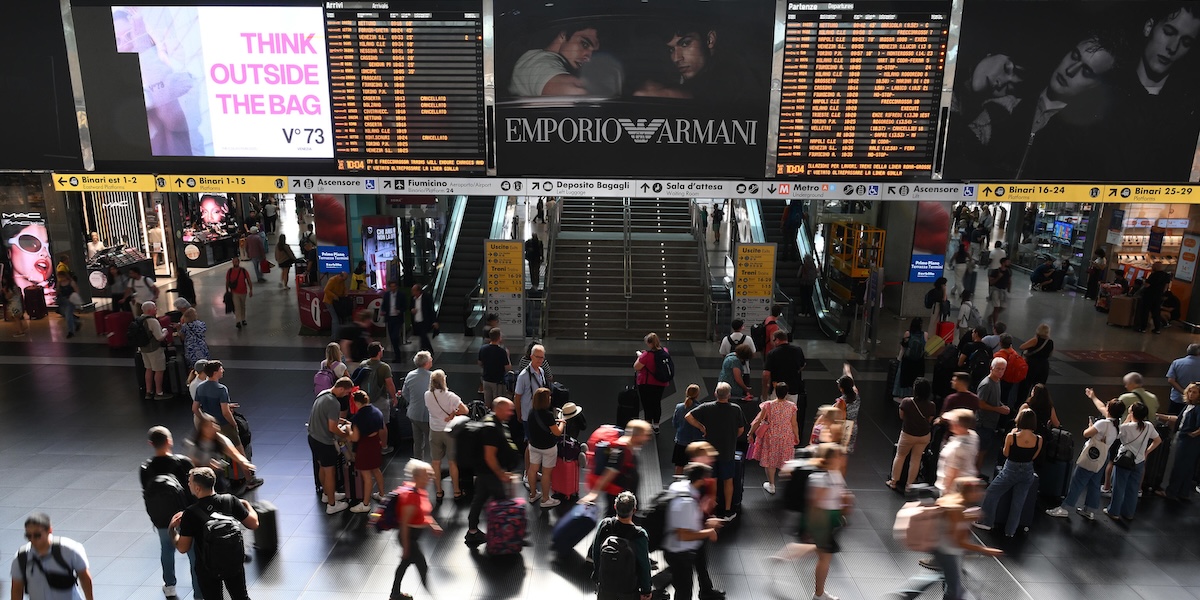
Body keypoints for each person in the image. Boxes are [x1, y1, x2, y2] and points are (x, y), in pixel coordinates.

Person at [1102, 5, 1200, 181]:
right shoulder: (1105, 96)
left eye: (1185, 42)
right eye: (1169, 32)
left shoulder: (1186, 114)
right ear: (1149, 28)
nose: (1173, 47)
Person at [893, 479, 1003, 600]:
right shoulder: (957, 509)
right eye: (978, 490)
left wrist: (967, 516)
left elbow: (949, 524)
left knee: (940, 578)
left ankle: (903, 595)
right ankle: (902, 596)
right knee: (954, 588)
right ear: (969, 492)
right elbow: (958, 541)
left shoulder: (950, 500)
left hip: (940, 547)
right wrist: (985, 550)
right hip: (948, 552)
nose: (982, 493)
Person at [170, 467, 259, 600]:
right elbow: (254, 524)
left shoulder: (190, 513)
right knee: (241, 597)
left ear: (197, 488)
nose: (188, 484)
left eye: (190, 482)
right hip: (233, 562)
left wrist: (172, 529)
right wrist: (246, 504)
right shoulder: (230, 501)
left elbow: (183, 548)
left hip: (207, 568)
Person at [139, 427, 200, 600]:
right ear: (169, 441)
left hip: (162, 517)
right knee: (193, 552)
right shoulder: (183, 462)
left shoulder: (145, 468)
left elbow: (146, 492)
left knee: (166, 548)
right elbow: (194, 489)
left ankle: (170, 586)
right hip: (186, 515)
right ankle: (198, 592)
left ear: (151, 443)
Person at [1046, 399, 1127, 520]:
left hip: (1092, 455)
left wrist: (1090, 425)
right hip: (1104, 456)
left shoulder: (1103, 423)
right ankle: (1090, 510)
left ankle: (1065, 508)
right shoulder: (1117, 424)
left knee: (1078, 480)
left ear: (1109, 409)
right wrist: (1093, 396)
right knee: (1095, 482)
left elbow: (1086, 433)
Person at [660, 462, 725, 600]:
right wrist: (709, 531)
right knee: (684, 592)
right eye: (706, 478)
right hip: (680, 553)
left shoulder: (678, 486)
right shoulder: (687, 502)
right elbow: (683, 535)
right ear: (700, 480)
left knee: (680, 584)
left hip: (676, 550)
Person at [465, 399, 522, 547]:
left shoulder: (493, 421)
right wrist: (501, 473)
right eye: (508, 410)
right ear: (499, 409)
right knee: (502, 502)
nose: (511, 413)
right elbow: (489, 456)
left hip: (485, 472)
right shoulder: (491, 428)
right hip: (491, 473)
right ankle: (505, 534)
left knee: (479, 499)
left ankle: (472, 532)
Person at [686, 382, 748, 518]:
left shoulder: (707, 407)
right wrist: (732, 436)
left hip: (710, 453)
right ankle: (727, 510)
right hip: (728, 451)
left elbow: (688, 416)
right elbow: (741, 429)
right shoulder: (736, 409)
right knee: (728, 480)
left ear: (715, 394)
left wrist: (701, 427)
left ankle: (711, 510)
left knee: (711, 480)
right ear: (729, 395)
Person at [389, 460, 442, 600]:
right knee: (422, 566)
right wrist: (406, 547)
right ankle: (431, 595)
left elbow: (424, 513)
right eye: (427, 476)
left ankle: (395, 594)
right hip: (408, 537)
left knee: (405, 564)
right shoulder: (411, 497)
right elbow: (404, 524)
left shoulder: (420, 491)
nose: (430, 478)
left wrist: (433, 525)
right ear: (416, 477)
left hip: (412, 537)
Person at [10, 513, 93, 600]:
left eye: (37, 535)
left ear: (49, 530)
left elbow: (84, 577)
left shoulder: (69, 550)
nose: (33, 539)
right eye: (28, 536)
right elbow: (17, 589)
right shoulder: (21, 558)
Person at [807, 443, 853, 600]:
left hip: (830, 520)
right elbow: (815, 504)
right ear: (830, 459)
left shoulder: (835, 475)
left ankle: (819, 592)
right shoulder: (822, 478)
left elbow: (838, 497)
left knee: (823, 557)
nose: (842, 459)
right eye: (839, 456)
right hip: (823, 522)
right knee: (824, 558)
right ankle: (818, 594)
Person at [1106, 402, 1163, 521]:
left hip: (1124, 460)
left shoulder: (1126, 427)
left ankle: (1114, 511)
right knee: (1133, 489)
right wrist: (1146, 452)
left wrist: (1127, 419)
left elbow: (1117, 435)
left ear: (1132, 413)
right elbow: (1157, 440)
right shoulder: (1148, 426)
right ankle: (1128, 513)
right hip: (1139, 461)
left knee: (1118, 487)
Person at [582, 420, 654, 514]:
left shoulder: (628, 446)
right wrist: (594, 493)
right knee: (613, 519)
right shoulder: (621, 449)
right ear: (637, 435)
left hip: (625, 495)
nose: (648, 438)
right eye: (646, 435)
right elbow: (610, 471)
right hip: (620, 497)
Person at [592, 491, 652, 600]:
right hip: (629, 589)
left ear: (615, 507)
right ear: (634, 510)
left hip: (606, 586)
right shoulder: (639, 535)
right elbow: (644, 565)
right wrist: (646, 590)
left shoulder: (605, 525)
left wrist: (598, 576)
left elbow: (596, 553)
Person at [508, 25, 600, 96]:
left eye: (593, 53)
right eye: (584, 44)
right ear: (563, 35)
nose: (589, 58)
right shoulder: (540, 61)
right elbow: (576, 90)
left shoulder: (535, 58)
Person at [308, 378, 354, 514]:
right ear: (341, 389)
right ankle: (332, 505)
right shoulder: (334, 403)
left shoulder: (323, 394)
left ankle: (327, 494)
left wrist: (340, 420)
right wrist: (346, 435)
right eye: (346, 393)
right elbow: (333, 427)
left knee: (322, 466)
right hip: (324, 442)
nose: (346, 396)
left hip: (312, 437)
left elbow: (325, 415)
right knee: (330, 472)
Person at [748, 381, 799, 494]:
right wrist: (797, 436)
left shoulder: (768, 405)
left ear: (775, 392)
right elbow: (794, 423)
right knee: (785, 460)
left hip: (771, 436)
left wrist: (750, 433)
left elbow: (758, 420)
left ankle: (771, 485)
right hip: (786, 435)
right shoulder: (791, 407)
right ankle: (788, 486)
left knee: (771, 461)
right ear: (786, 393)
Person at [425, 369, 468, 500]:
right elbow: (465, 410)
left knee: (436, 462)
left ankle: (438, 491)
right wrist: (453, 413)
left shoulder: (427, 395)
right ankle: (456, 491)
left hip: (435, 430)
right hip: (449, 431)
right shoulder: (451, 396)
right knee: (452, 462)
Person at [889, 378, 938, 493]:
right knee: (916, 459)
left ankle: (894, 481)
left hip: (908, 434)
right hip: (924, 436)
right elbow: (930, 419)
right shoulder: (931, 405)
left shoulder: (906, 402)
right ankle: (909, 485)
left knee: (900, 456)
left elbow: (901, 416)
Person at [1157, 383, 1200, 500]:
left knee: (1179, 466)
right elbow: (1178, 419)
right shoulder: (1188, 406)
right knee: (1186, 466)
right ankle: (1183, 492)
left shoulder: (1198, 408)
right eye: (1190, 391)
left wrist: (1193, 434)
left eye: (1194, 392)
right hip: (1184, 437)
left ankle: (1171, 491)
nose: (1191, 394)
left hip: (1188, 440)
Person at [346, 389, 386, 512]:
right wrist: (383, 443)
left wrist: (348, 429)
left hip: (364, 447)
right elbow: (383, 429)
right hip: (375, 443)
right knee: (376, 469)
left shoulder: (358, 417)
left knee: (366, 475)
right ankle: (382, 494)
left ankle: (365, 504)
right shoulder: (377, 411)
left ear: (357, 403)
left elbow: (355, 437)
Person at [525, 387, 565, 508]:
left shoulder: (532, 412)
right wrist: (562, 423)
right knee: (546, 473)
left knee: (532, 470)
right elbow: (557, 432)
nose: (550, 398)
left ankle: (532, 495)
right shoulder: (547, 415)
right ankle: (545, 499)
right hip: (548, 448)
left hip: (534, 446)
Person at [359, 342, 398, 455]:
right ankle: (384, 447)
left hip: (365, 399)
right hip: (380, 398)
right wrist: (394, 398)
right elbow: (389, 384)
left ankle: (367, 446)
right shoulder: (384, 367)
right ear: (379, 352)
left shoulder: (363, 364)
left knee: (366, 422)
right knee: (382, 423)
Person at [975, 357, 1012, 474]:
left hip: (990, 423)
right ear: (991, 368)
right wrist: (998, 409)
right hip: (983, 423)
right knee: (980, 451)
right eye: (998, 369)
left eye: (1003, 369)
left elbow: (994, 400)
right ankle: (975, 475)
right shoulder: (986, 384)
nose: (1000, 372)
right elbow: (980, 404)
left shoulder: (997, 381)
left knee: (983, 451)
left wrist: (1001, 406)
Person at [633, 332, 671, 434]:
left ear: (649, 344)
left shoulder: (646, 355)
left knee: (647, 405)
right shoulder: (665, 351)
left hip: (646, 383)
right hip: (660, 383)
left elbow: (637, 367)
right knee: (656, 403)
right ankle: (656, 425)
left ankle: (648, 424)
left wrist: (639, 356)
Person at [763, 328, 806, 415]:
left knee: (774, 414)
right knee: (791, 415)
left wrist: (764, 390)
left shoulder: (772, 353)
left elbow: (766, 374)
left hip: (777, 389)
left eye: (773, 340)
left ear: (777, 340)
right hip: (793, 388)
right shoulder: (798, 350)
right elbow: (803, 365)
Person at [403, 351, 434, 463]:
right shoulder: (432, 377)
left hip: (413, 413)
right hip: (428, 415)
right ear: (427, 363)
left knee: (417, 441)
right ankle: (431, 465)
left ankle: (417, 464)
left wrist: (414, 402)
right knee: (431, 441)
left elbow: (405, 393)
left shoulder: (410, 375)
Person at [136, 302, 171, 400]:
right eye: (154, 308)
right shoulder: (152, 321)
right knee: (159, 370)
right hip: (154, 349)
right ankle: (159, 393)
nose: (156, 309)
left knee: (148, 369)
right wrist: (165, 332)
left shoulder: (139, 319)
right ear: (149, 310)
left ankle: (148, 391)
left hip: (143, 349)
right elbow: (159, 338)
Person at [672, 384, 705, 476]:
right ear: (697, 394)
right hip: (696, 442)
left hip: (681, 440)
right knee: (696, 466)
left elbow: (675, 424)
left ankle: (677, 484)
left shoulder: (679, 407)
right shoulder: (700, 408)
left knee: (679, 465)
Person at [478, 327, 512, 407]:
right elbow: (508, 368)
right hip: (497, 381)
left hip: (486, 380)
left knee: (487, 403)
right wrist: (508, 356)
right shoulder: (502, 351)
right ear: (499, 337)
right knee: (497, 404)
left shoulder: (483, 349)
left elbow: (480, 363)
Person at [894, 318, 927, 400]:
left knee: (905, 378)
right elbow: (925, 348)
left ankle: (902, 396)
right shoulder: (925, 334)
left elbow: (903, 348)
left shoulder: (908, 333)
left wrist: (899, 359)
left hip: (908, 360)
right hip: (919, 361)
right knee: (916, 379)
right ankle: (915, 395)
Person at [1138, 261, 1172, 333]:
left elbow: (1147, 285)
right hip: (1158, 296)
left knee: (1145, 312)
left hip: (1149, 296)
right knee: (1156, 312)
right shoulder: (1166, 275)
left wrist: (1144, 281)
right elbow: (1166, 287)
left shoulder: (1153, 275)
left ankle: (1143, 328)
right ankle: (1157, 329)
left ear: (1155, 267)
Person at [1167, 344, 1200, 415]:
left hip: (1177, 399)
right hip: (1197, 402)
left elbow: (1170, 380)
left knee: (1173, 420)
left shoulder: (1176, 363)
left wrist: (1184, 392)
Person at [1018, 324, 1054, 388]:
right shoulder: (1050, 342)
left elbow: (1022, 347)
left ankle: (1023, 398)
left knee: (1025, 385)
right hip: (1044, 365)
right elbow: (1050, 354)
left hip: (1032, 364)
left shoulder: (1035, 340)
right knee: (1039, 387)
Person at [381, 280, 407, 360]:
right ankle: (396, 351)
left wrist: (400, 311)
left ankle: (397, 353)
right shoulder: (386, 295)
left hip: (397, 319)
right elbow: (383, 305)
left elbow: (405, 306)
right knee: (392, 337)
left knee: (394, 336)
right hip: (389, 318)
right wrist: (383, 311)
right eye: (391, 287)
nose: (392, 288)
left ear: (396, 287)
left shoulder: (401, 295)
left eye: (394, 286)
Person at [224, 257, 252, 329]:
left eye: (236, 261)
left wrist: (251, 289)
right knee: (237, 306)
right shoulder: (229, 271)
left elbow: (248, 280)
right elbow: (227, 281)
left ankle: (243, 319)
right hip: (234, 292)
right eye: (234, 262)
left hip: (243, 292)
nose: (235, 263)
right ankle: (238, 321)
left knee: (242, 306)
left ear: (239, 262)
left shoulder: (243, 271)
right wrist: (227, 290)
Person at [410, 284, 438, 352]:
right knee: (422, 337)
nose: (412, 292)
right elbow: (410, 307)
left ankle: (426, 350)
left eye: (413, 291)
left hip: (425, 321)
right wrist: (412, 310)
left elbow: (431, 310)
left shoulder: (426, 297)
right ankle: (426, 350)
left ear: (418, 291)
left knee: (423, 336)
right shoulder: (413, 299)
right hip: (417, 320)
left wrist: (434, 321)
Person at [55, 265, 79, 338]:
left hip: (70, 301)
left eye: (61, 277)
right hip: (63, 301)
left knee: (68, 315)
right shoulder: (59, 283)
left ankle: (71, 331)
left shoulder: (71, 282)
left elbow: (76, 291)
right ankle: (76, 323)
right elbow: (58, 291)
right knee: (66, 314)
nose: (60, 278)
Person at [987, 257, 1011, 324]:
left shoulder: (1008, 271)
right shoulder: (995, 271)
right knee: (996, 307)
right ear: (1003, 263)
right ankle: (995, 323)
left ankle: (991, 316)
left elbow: (1009, 280)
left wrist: (1009, 288)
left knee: (1003, 307)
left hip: (1003, 291)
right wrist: (998, 277)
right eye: (1007, 262)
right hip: (996, 291)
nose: (1009, 263)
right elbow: (991, 283)